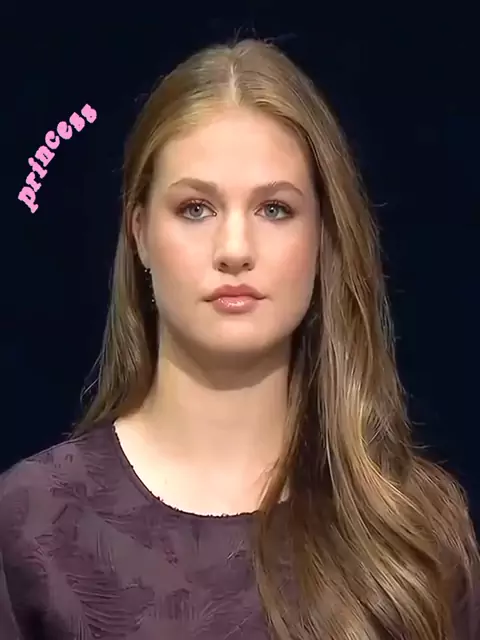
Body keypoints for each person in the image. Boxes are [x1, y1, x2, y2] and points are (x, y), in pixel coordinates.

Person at [0, 37, 478, 640]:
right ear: (140, 233)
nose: (234, 250)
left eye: (274, 209)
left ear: (323, 236)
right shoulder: (30, 528)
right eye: (195, 208)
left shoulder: (417, 531)